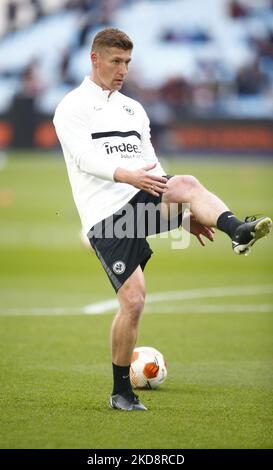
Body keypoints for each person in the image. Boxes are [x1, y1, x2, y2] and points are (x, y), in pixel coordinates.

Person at [53, 28, 272, 411]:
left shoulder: (133, 109)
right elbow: (85, 159)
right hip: (105, 217)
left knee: (185, 182)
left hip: (140, 198)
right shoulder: (71, 107)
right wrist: (128, 174)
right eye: (116, 62)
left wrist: (182, 215)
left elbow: (156, 170)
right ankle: (121, 391)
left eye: (128, 63)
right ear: (95, 59)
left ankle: (237, 229)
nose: (123, 70)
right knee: (134, 301)